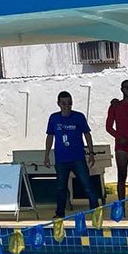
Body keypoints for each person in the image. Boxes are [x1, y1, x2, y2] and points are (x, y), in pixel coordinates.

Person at [43, 91, 98, 219]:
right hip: (61, 159)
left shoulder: (78, 117)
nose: (67, 106)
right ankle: (59, 213)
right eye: (64, 103)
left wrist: (91, 153)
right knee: (61, 187)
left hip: (77, 157)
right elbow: (50, 137)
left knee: (87, 184)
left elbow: (87, 135)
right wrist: (46, 155)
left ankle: (95, 211)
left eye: (69, 103)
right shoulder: (54, 118)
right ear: (59, 104)